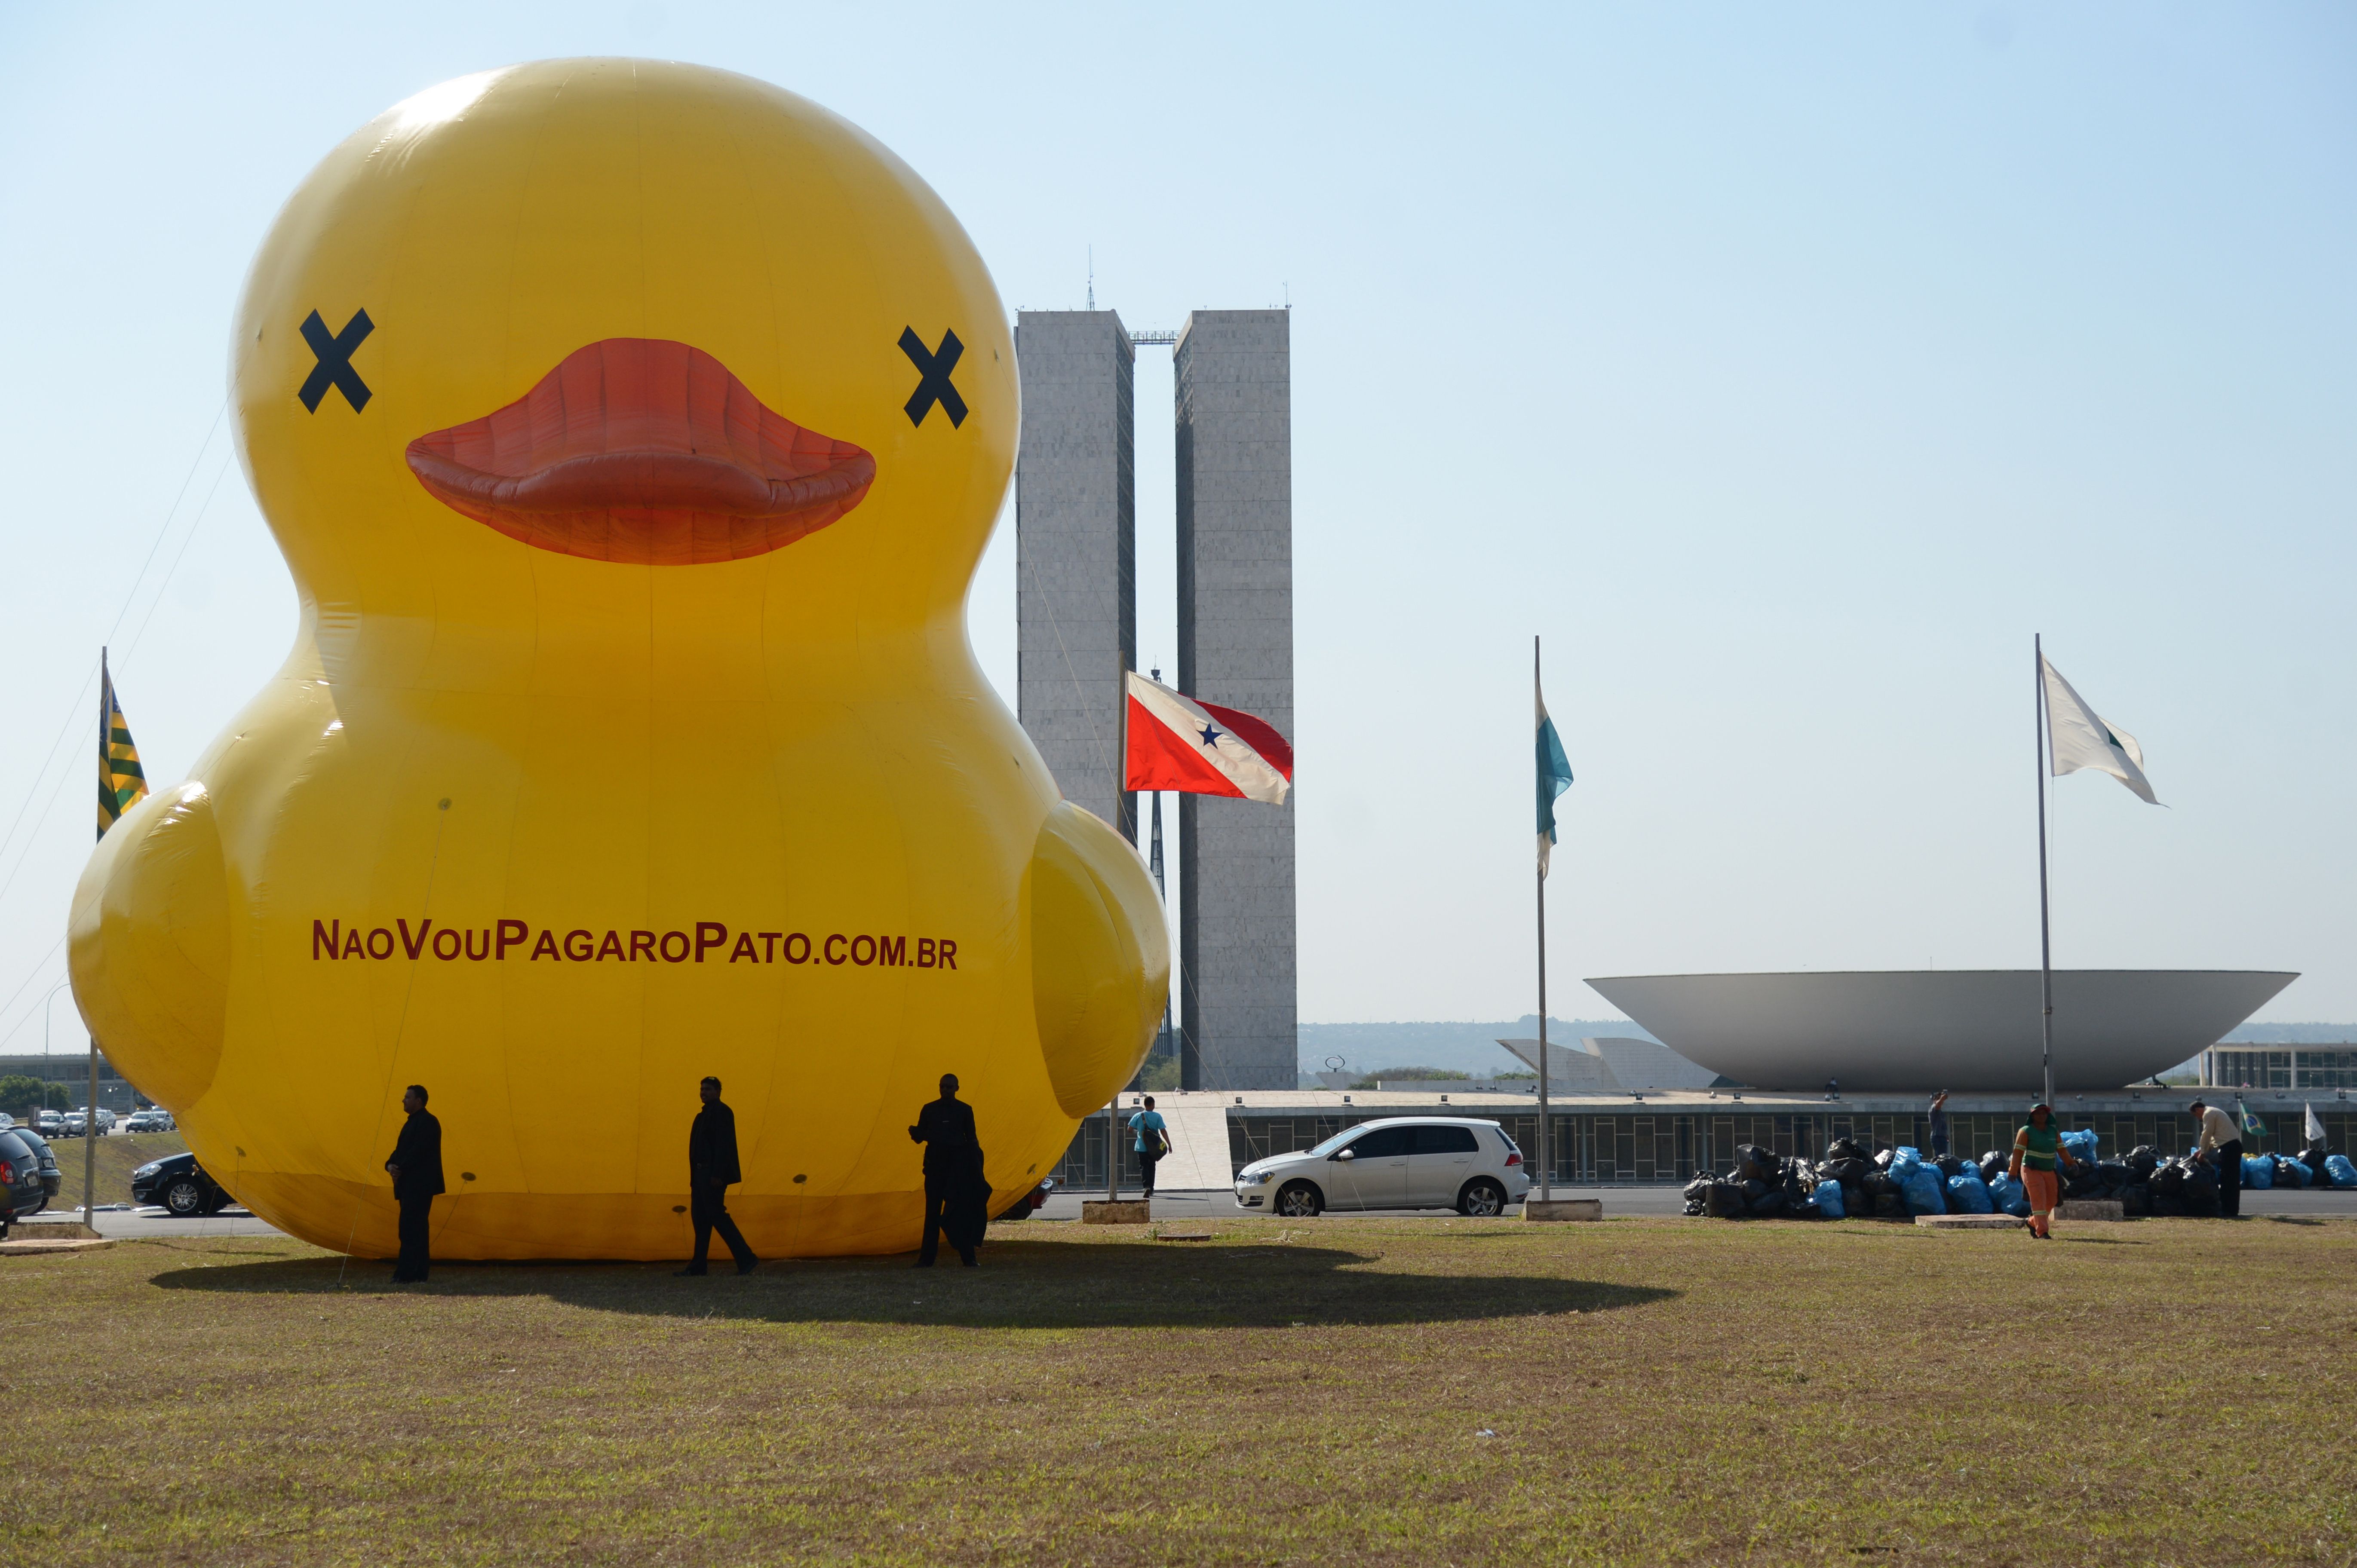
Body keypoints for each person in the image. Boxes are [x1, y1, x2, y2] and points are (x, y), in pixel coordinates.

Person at [678, 1076, 758, 1276]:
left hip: (710, 1173)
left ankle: (746, 1257)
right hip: (700, 1174)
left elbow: (724, 1145)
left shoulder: (722, 1112)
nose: (703, 1093)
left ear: (718, 1092)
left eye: (708, 1089)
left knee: (716, 1215)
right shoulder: (702, 1116)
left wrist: (717, 1174)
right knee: (700, 1218)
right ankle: (699, 1265)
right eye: (702, 1089)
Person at [908, 1073, 987, 1267]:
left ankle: (969, 1259)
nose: (945, 1090)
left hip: (957, 1172)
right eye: (943, 1087)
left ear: (957, 1089)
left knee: (961, 1213)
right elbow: (919, 1137)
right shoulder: (929, 1110)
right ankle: (926, 1260)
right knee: (933, 1215)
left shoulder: (965, 1111)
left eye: (949, 1087)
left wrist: (976, 1167)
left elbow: (972, 1140)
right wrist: (917, 1133)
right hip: (935, 1170)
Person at [384, 1084, 443, 1282]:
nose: (403, 1100)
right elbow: (400, 1150)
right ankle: (417, 1273)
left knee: (412, 1229)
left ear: (419, 1101)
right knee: (412, 1228)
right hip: (409, 1186)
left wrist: (399, 1168)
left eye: (407, 1097)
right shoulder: (411, 1123)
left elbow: (418, 1152)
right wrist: (390, 1165)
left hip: (419, 1186)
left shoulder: (428, 1123)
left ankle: (407, 1274)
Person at [2006, 1102, 2081, 1239]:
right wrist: (2013, 1170)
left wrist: (2071, 1163)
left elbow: (2062, 1150)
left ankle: (2033, 1221)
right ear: (2032, 1116)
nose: (2042, 1116)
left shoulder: (2053, 1132)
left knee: (2052, 1199)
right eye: (2038, 1113)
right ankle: (2042, 1232)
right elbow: (2018, 1152)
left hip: (2048, 1170)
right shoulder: (2026, 1131)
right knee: (2038, 1198)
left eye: (2044, 1113)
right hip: (2031, 1170)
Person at [2188, 1098, 2243, 1219]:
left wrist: (2203, 1154)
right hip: (2232, 1146)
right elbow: (2215, 1139)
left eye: (2196, 1115)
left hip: (2229, 1148)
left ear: (2198, 1109)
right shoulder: (2214, 1112)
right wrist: (2202, 1150)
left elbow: (2206, 1133)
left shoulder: (2209, 1114)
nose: (2199, 1119)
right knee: (2231, 1179)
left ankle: (2229, 1210)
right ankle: (2231, 1209)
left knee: (2228, 1179)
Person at [1127, 1096, 1170, 1197]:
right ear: (1153, 1105)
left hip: (1141, 1147)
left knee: (1144, 1167)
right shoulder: (1157, 1117)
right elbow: (1163, 1131)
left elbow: (1129, 1129)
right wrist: (1169, 1144)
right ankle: (1151, 1189)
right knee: (1152, 1167)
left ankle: (1146, 1187)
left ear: (1145, 1105)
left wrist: (1139, 1133)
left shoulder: (1138, 1116)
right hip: (1154, 1148)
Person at [1927, 1090, 1950, 1159]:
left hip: (1942, 1136)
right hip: (1937, 1136)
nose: (1940, 1100)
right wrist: (1942, 1098)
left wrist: (1946, 1134)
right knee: (1941, 1158)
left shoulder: (1941, 1111)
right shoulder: (1934, 1108)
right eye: (1938, 1098)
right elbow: (1938, 1105)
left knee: (1944, 1156)